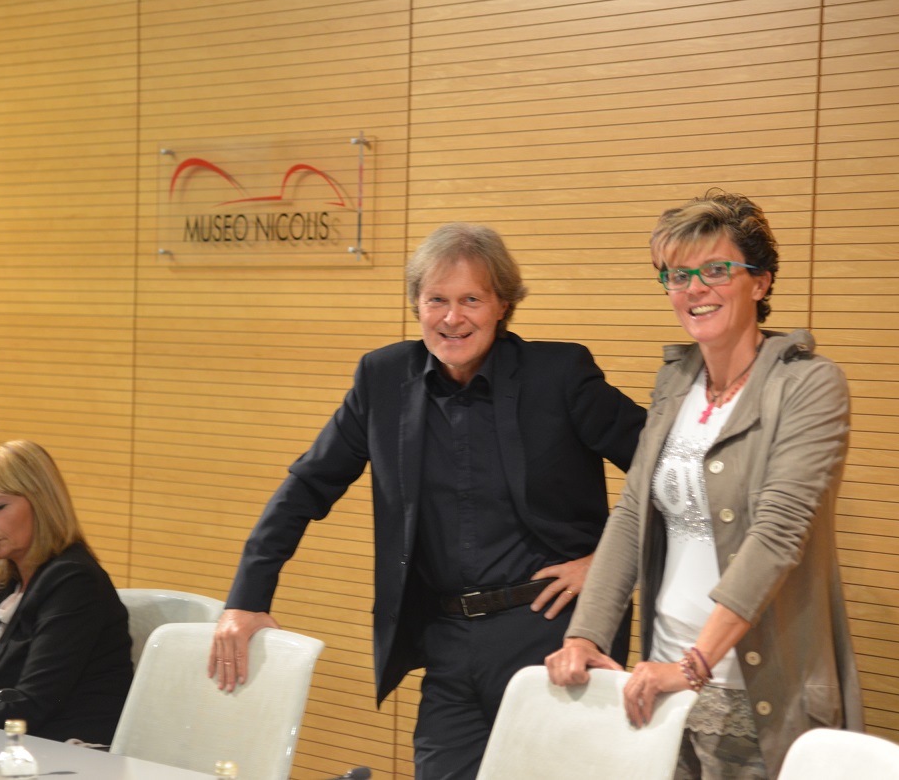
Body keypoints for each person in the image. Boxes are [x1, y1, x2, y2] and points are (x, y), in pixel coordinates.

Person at [210, 222, 647, 779]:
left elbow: (667, 472)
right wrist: (247, 598)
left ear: (503, 305)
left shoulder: (559, 375)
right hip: (447, 640)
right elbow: (307, 486)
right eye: (436, 299)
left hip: (551, 630)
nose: (451, 318)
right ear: (416, 304)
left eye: (471, 300)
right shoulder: (383, 378)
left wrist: (607, 565)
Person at [545, 190, 863, 779]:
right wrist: (586, 635)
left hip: (754, 695)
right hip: (658, 684)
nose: (694, 289)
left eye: (716, 270)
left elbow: (777, 536)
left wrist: (694, 665)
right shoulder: (675, 382)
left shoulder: (810, 386)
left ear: (760, 282)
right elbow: (633, 514)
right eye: (678, 275)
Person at [0, 440, 133, 743]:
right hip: (12, 748)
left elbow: (32, 704)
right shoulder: (5, 581)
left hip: (71, 752)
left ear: (41, 502)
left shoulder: (74, 580)